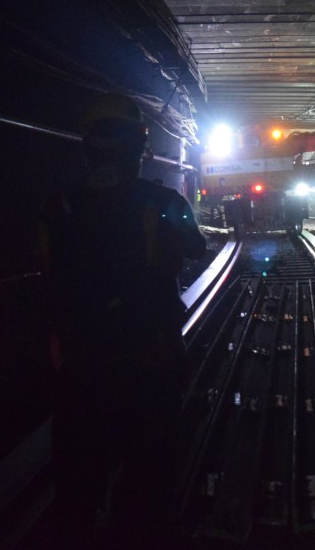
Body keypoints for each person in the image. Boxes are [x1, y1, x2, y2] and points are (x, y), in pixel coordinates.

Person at [39, 92, 206, 547]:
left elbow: (48, 275)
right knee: (148, 481)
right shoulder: (163, 200)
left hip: (81, 363)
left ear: (87, 146)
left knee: (77, 480)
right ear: (140, 147)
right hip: (150, 359)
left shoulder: (59, 204)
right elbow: (197, 247)